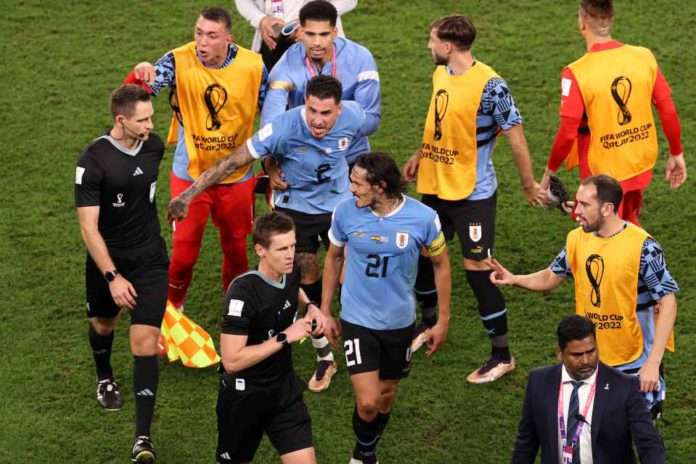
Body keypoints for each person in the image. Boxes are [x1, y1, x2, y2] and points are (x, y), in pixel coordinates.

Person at [167, 75, 365, 393]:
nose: (317, 120)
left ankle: (346, 326)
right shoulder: (283, 127)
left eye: (326, 114)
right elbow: (232, 162)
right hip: (296, 209)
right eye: (312, 110)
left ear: (339, 110)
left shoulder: (355, 116)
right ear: (305, 104)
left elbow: (361, 145)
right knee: (307, 272)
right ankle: (324, 354)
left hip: (338, 207)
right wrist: (187, 196)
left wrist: (361, 185)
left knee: (349, 276)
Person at [402, 14, 546, 383]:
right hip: (434, 187)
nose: (428, 45)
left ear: (448, 46)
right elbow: (440, 121)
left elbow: (516, 136)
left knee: (480, 274)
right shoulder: (441, 74)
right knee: (422, 258)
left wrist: (529, 185)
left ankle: (502, 354)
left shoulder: (491, 86)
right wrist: (421, 154)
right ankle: (429, 324)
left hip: (471, 195)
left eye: (431, 40)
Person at [261, 0, 381, 391]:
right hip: (299, 181)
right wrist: (271, 163)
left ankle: (356, 327)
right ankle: (324, 352)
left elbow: (371, 118)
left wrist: (333, 131)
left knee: (350, 258)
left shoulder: (360, 57)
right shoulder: (286, 65)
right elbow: (272, 118)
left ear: (335, 31)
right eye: (307, 33)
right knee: (307, 265)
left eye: (323, 34)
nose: (315, 42)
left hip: (348, 176)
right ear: (299, 31)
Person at [491, 174, 679, 419]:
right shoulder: (577, 239)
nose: (576, 210)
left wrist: (653, 363)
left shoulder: (644, 247)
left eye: (584, 205)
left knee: (641, 435)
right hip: (590, 357)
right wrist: (515, 278)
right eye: (577, 202)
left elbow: (668, 302)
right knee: (596, 434)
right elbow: (551, 276)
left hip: (634, 361)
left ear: (607, 208)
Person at [125, 6, 266, 313]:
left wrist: (273, 166)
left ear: (228, 38)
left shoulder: (254, 66)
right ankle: (172, 314)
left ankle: (237, 311)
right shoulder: (177, 60)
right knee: (184, 255)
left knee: (236, 252)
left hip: (237, 176)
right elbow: (133, 96)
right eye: (198, 34)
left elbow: (273, 117)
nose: (202, 42)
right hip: (189, 174)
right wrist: (140, 72)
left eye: (212, 36)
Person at [321, 152, 451, 464]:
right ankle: (363, 456)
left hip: (399, 322)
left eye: (357, 183)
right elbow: (333, 257)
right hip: (357, 319)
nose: (351, 189)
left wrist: (442, 321)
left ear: (379, 186)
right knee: (367, 402)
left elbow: (442, 266)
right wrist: (325, 310)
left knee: (386, 395)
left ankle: (367, 451)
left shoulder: (423, 218)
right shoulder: (345, 213)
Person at [75, 85, 168, 462]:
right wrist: (112, 277)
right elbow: (88, 228)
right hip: (107, 264)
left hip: (150, 260)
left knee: (145, 342)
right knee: (103, 323)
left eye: (151, 117)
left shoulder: (154, 146)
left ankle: (142, 440)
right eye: (142, 119)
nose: (150, 125)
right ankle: (104, 376)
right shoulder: (93, 161)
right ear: (121, 120)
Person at [542, 0, 686, 226]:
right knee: (626, 225)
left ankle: (646, 260)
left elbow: (568, 132)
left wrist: (549, 172)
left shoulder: (576, 73)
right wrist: (676, 153)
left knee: (605, 236)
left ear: (582, 23)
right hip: (638, 163)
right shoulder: (644, 57)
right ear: (610, 20)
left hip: (602, 174)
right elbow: (667, 109)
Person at [217, 211, 329, 463]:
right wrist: (284, 337)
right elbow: (232, 361)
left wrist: (310, 305)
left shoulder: (291, 270)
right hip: (245, 396)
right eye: (281, 249)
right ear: (261, 250)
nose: (290, 255)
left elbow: (293, 288)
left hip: (284, 391)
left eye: (292, 245)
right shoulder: (242, 293)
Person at [512, 315, 664, 463]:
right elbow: (526, 443)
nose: (585, 361)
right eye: (577, 355)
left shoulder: (624, 386)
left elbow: (648, 443)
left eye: (591, 352)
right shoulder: (539, 381)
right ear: (560, 353)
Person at [235, 0, 357, 70]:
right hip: (272, 41)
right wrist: (261, 19)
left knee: (320, 102)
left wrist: (312, 18)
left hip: (317, 40)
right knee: (272, 103)